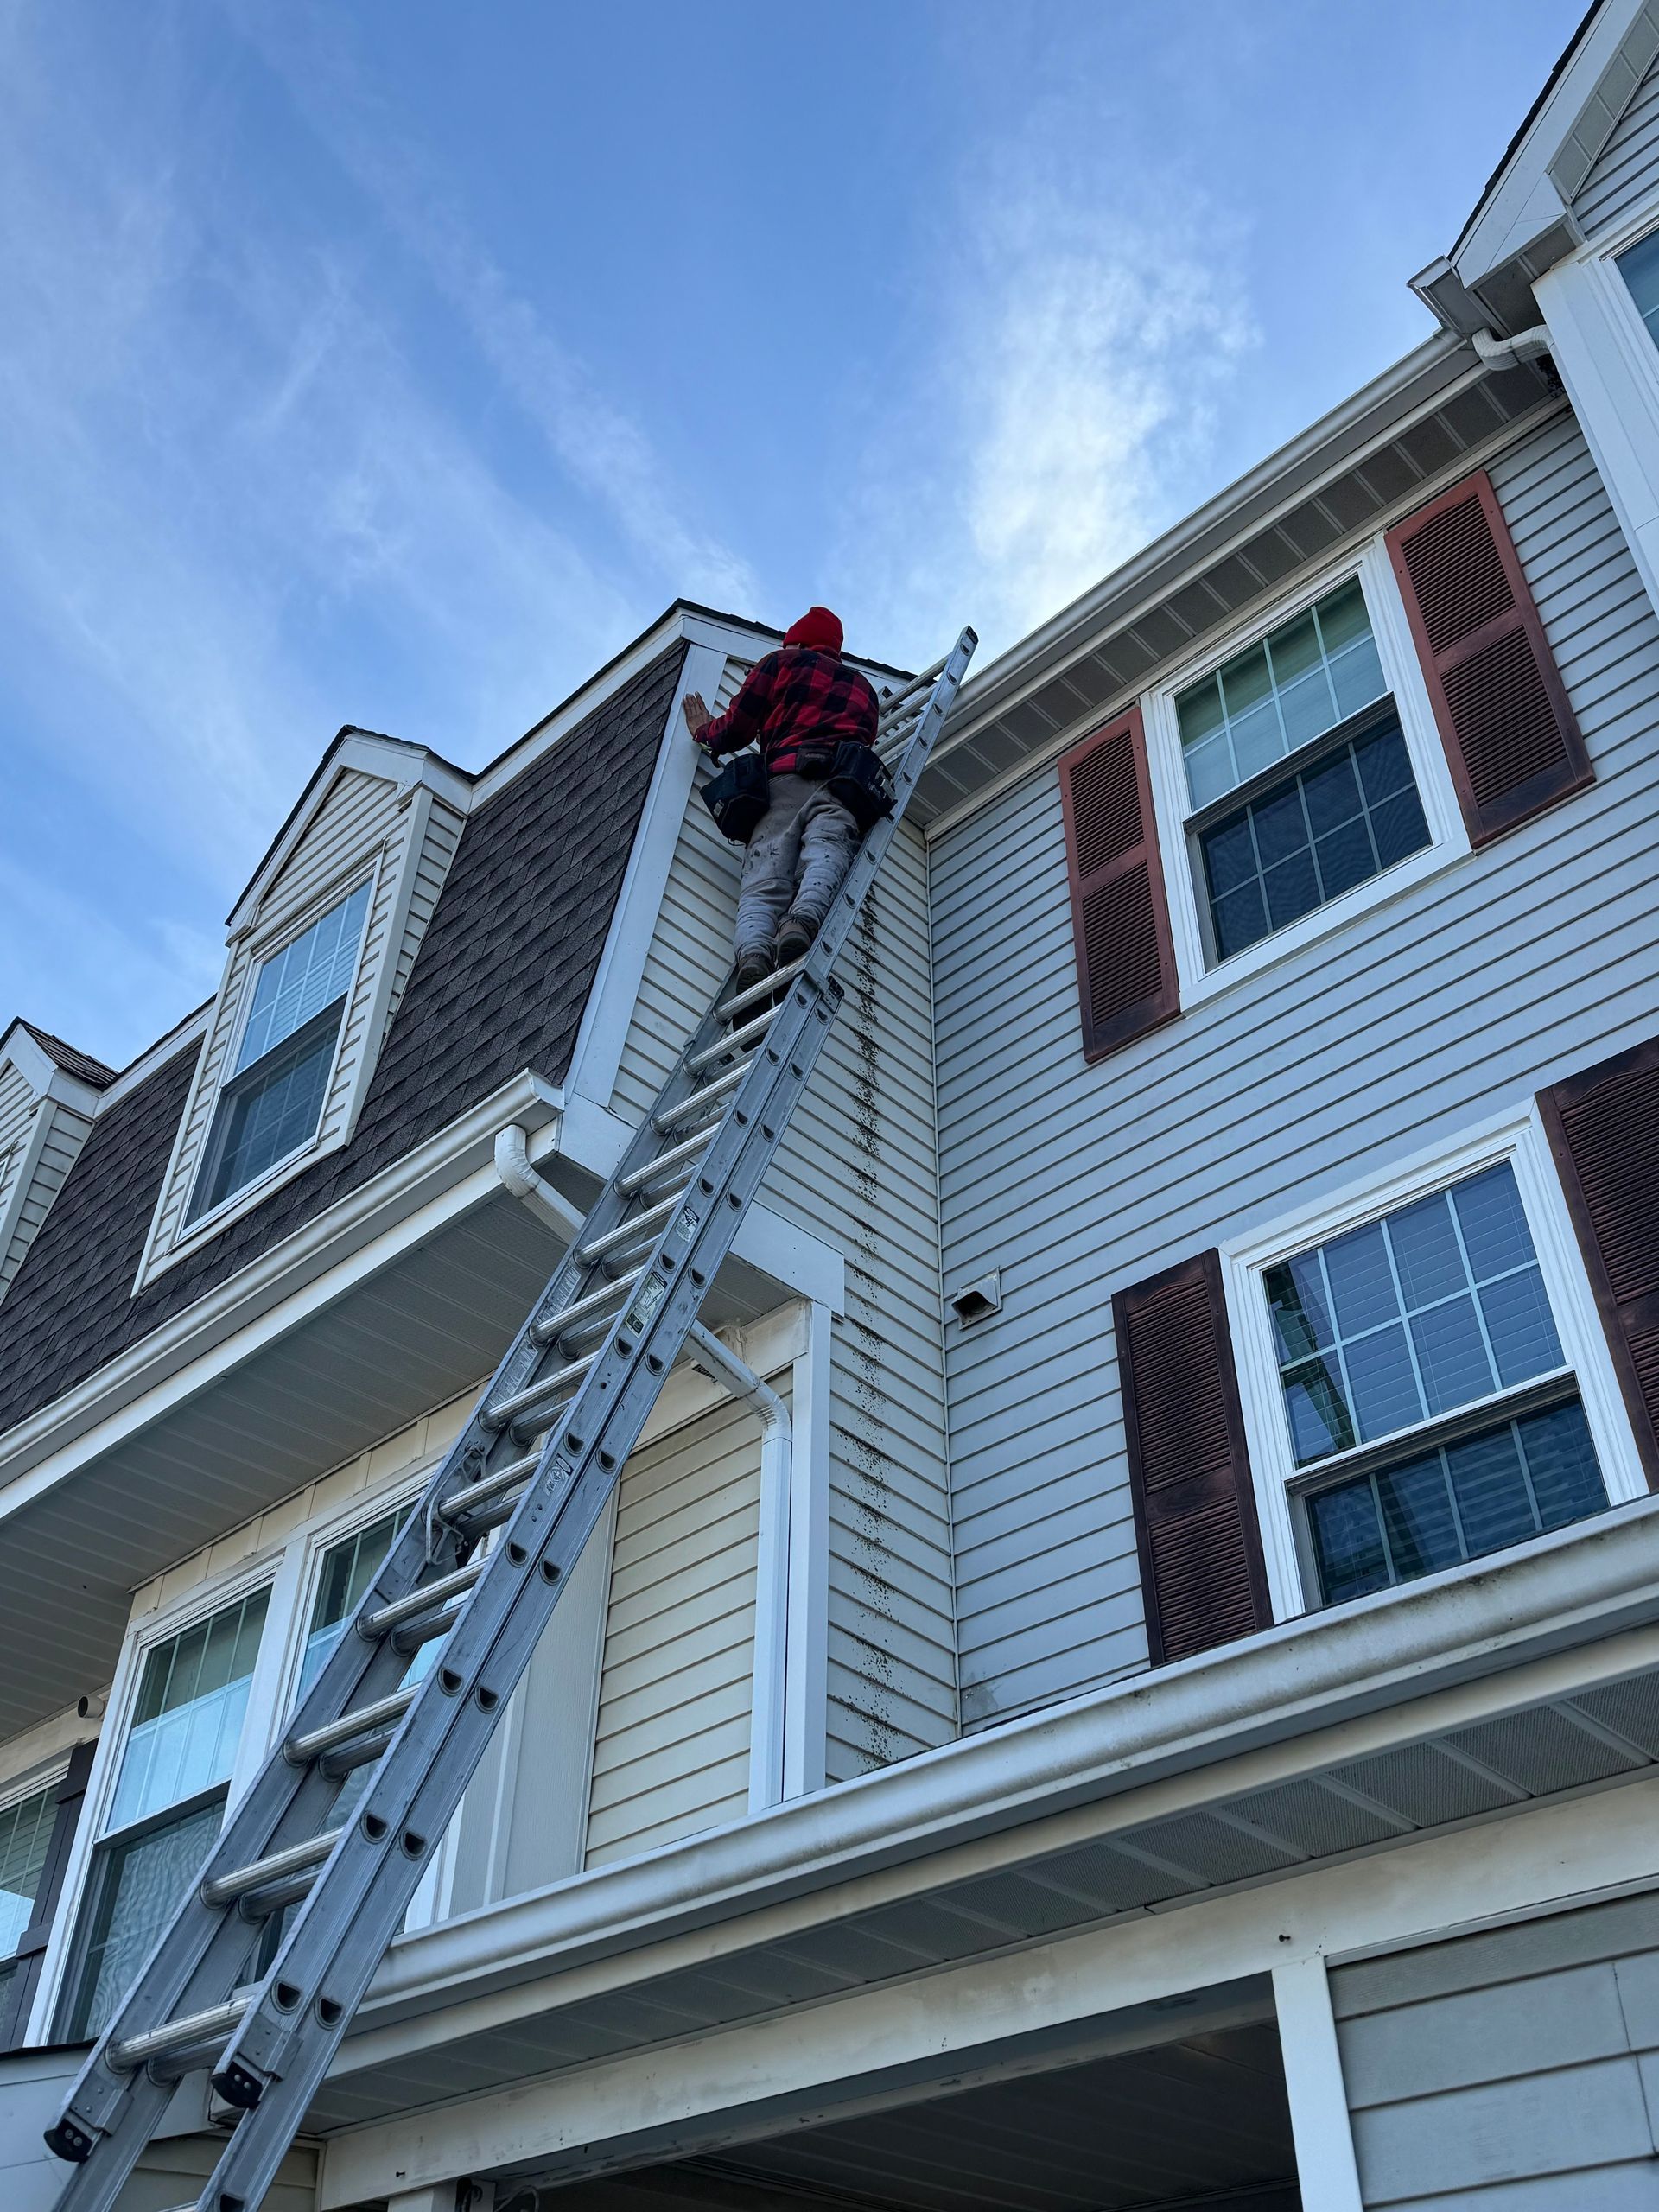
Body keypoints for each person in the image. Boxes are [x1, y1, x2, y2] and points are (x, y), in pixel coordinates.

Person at [683, 606, 880, 995]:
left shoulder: (779, 663)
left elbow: (737, 727)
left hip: (782, 785)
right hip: (838, 786)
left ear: (796, 640)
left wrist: (705, 731)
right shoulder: (864, 690)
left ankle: (754, 955)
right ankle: (802, 923)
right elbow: (866, 740)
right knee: (826, 852)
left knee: (765, 880)